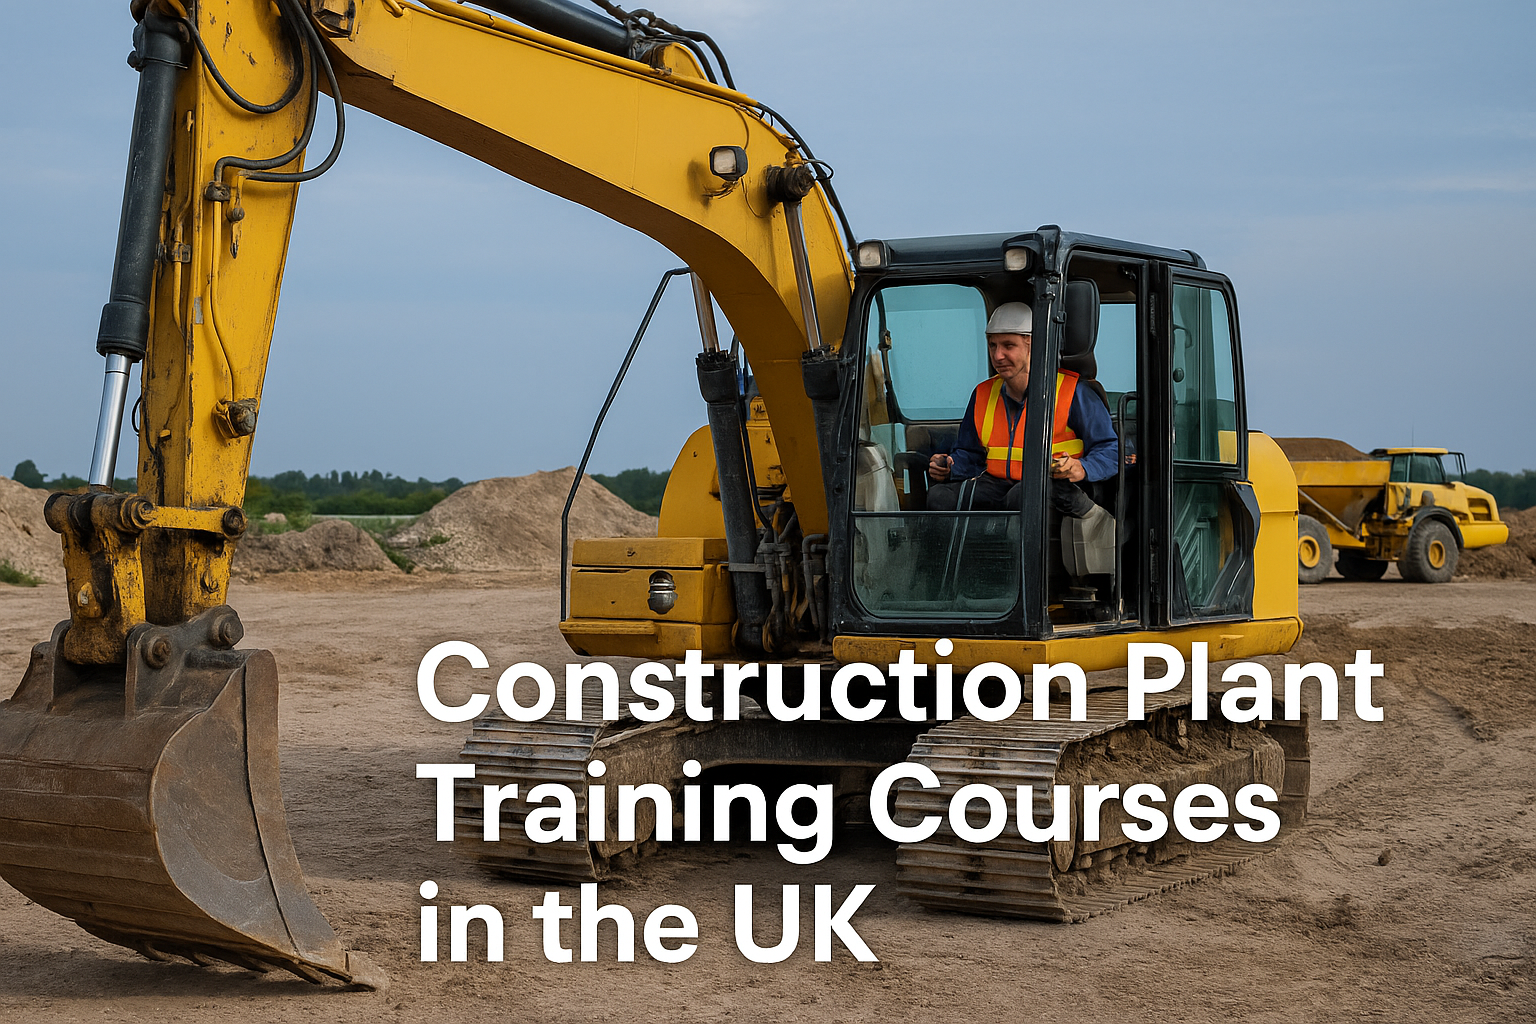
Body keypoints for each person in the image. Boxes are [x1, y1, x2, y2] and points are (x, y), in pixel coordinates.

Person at [925, 301, 1118, 516]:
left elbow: (1112, 450)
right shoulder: (982, 393)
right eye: (993, 345)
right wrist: (950, 466)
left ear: (1033, 346)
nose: (998, 356)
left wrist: (1081, 467)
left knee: (1022, 496)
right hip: (998, 484)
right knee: (940, 498)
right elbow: (971, 454)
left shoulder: (1073, 392)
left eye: (1008, 346)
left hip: (1057, 488)